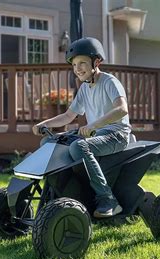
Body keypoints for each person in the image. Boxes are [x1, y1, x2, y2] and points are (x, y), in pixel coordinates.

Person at [32, 37, 131, 218]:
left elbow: (122, 109)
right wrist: (46, 124)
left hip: (117, 134)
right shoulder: (85, 88)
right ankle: (57, 193)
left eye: (82, 63)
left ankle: (108, 199)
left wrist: (94, 124)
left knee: (78, 146)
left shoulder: (109, 82)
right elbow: (69, 116)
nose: (78, 69)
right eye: (74, 64)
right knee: (49, 140)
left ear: (96, 62)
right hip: (95, 133)